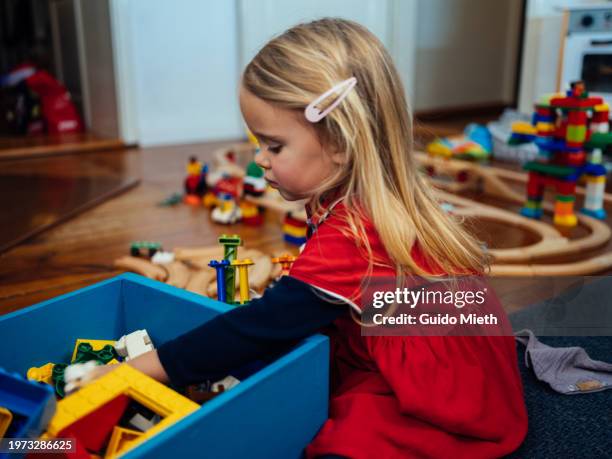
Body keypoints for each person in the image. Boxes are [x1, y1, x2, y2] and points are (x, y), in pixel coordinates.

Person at [92, 18, 528, 458]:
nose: (259, 160)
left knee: (339, 440)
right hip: (434, 347)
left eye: (274, 146)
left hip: (444, 393)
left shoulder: (355, 231)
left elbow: (258, 328)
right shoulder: (358, 195)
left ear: (340, 142)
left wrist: (141, 369)